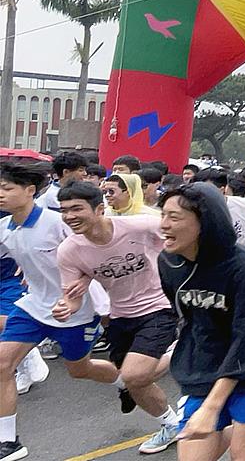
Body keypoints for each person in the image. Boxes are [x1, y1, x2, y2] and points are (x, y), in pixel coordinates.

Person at [0, 164, 123, 461]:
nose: (0, 195)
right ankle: (8, 441)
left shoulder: (59, 222)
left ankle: (127, 382)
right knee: (2, 363)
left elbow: (93, 255)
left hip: (76, 312)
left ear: (30, 191)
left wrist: (86, 288)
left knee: (79, 370)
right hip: (33, 306)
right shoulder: (5, 229)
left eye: (7, 189)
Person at [158, 182, 245, 461]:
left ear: (204, 222)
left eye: (175, 217)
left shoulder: (241, 266)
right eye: (163, 216)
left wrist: (212, 407)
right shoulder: (168, 262)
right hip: (207, 357)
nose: (164, 226)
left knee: (243, 452)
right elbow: (187, 317)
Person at [55, 181, 180, 454]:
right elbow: (72, 297)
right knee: (132, 380)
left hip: (159, 306)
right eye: (64, 211)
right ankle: (172, 425)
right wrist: (65, 306)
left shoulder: (140, 226)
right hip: (120, 315)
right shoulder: (69, 251)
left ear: (100, 208)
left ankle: (182, 349)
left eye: (77, 209)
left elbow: (182, 237)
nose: (69, 217)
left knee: (134, 376)